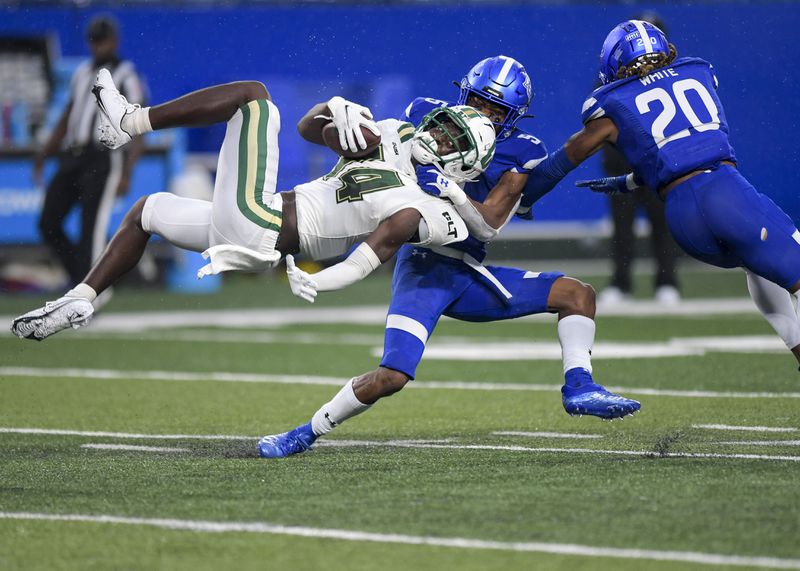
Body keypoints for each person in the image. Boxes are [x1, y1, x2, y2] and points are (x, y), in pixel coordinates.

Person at [258, 56, 641, 460]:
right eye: (479, 102)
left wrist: (452, 190)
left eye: (497, 110)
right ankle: (303, 433)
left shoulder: (520, 151)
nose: (484, 114)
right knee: (393, 375)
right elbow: (375, 147)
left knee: (577, 295)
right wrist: (339, 120)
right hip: (423, 263)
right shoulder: (427, 116)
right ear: (464, 94)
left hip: (467, 266)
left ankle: (579, 387)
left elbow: (489, 224)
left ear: (514, 116)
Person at [11, 70, 496, 341]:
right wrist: (334, 109)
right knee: (147, 210)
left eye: (451, 139)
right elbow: (314, 131)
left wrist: (321, 280)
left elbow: (381, 248)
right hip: (253, 221)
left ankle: (130, 121)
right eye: (441, 125)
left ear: (464, 166)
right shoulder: (391, 139)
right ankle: (80, 298)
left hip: (262, 222)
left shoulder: (424, 201)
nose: (436, 135)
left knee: (255, 98)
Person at [516, 20, 800, 368]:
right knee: (774, 259)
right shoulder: (697, 72)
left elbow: (562, 161)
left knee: (755, 264)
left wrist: (526, 199)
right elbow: (688, 145)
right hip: (727, 195)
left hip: (684, 221)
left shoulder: (610, 107)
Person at [33, 15, 144, 290]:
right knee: (48, 221)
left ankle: (89, 293)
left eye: (103, 41)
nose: (99, 47)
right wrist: (45, 152)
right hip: (74, 154)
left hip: (104, 156)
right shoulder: (82, 72)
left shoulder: (126, 74)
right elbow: (70, 113)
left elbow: (139, 122)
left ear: (115, 42)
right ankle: (81, 281)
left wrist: (128, 171)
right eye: (94, 41)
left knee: (90, 229)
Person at [597, 13, 681, 306]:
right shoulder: (611, 77)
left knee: (664, 225)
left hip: (661, 165)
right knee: (622, 228)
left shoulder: (676, 77)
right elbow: (599, 124)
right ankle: (621, 283)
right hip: (624, 165)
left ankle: (667, 282)